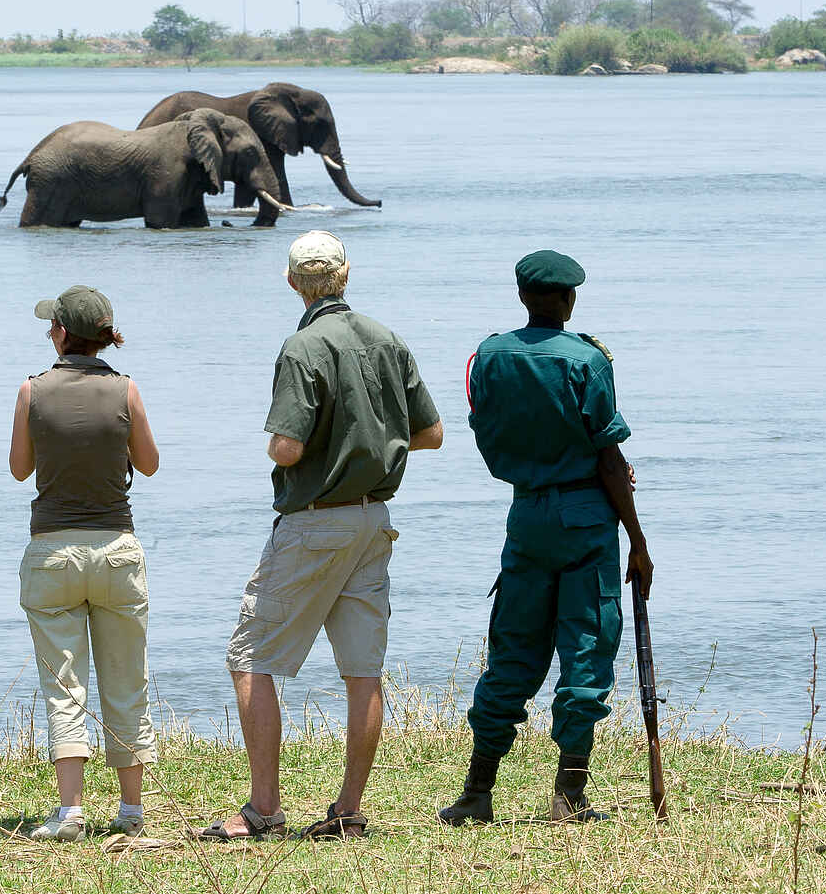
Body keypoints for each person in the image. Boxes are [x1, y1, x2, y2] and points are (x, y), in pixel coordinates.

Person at [202, 231, 444, 842]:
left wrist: (290, 450)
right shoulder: (388, 338)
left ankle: (263, 809)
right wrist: (375, 444)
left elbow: (287, 447)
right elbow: (432, 433)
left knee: (250, 659)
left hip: (315, 522)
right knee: (362, 670)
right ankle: (348, 809)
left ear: (292, 283)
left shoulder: (301, 347)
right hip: (372, 522)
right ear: (346, 276)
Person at [439, 249, 653, 826]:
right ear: (567, 300)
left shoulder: (488, 356)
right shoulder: (587, 359)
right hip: (586, 517)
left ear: (522, 297)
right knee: (585, 647)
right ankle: (568, 796)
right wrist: (637, 538)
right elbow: (608, 458)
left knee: (512, 647)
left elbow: (488, 432)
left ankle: (477, 792)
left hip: (525, 514)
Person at [8, 285, 161, 842]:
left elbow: (19, 469)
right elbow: (148, 464)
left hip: (52, 550)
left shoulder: (31, 390)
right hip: (116, 548)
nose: (49, 333)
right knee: (126, 679)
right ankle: (130, 808)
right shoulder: (126, 389)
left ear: (64, 335)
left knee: (63, 685)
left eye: (53, 327)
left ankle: (70, 810)